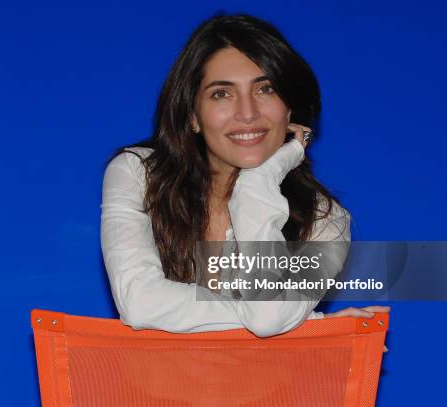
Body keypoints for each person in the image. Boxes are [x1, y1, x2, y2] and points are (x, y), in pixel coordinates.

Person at [100, 13, 389, 337]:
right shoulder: (140, 174)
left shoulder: (325, 222)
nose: (248, 113)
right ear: (193, 117)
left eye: (265, 89)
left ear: (289, 109)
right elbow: (140, 303)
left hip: (266, 387)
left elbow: (266, 316)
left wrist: (258, 182)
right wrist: (303, 322)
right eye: (222, 93)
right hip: (151, 386)